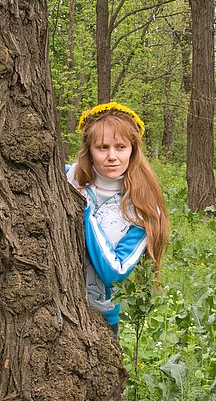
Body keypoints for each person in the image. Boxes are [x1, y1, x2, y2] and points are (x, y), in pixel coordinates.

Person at [65, 101, 170, 335]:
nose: (112, 156)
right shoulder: (67, 179)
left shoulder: (143, 208)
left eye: (120, 147)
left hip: (100, 319)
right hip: (53, 308)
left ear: (132, 150)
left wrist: (83, 212)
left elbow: (115, 270)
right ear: (88, 150)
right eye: (103, 147)